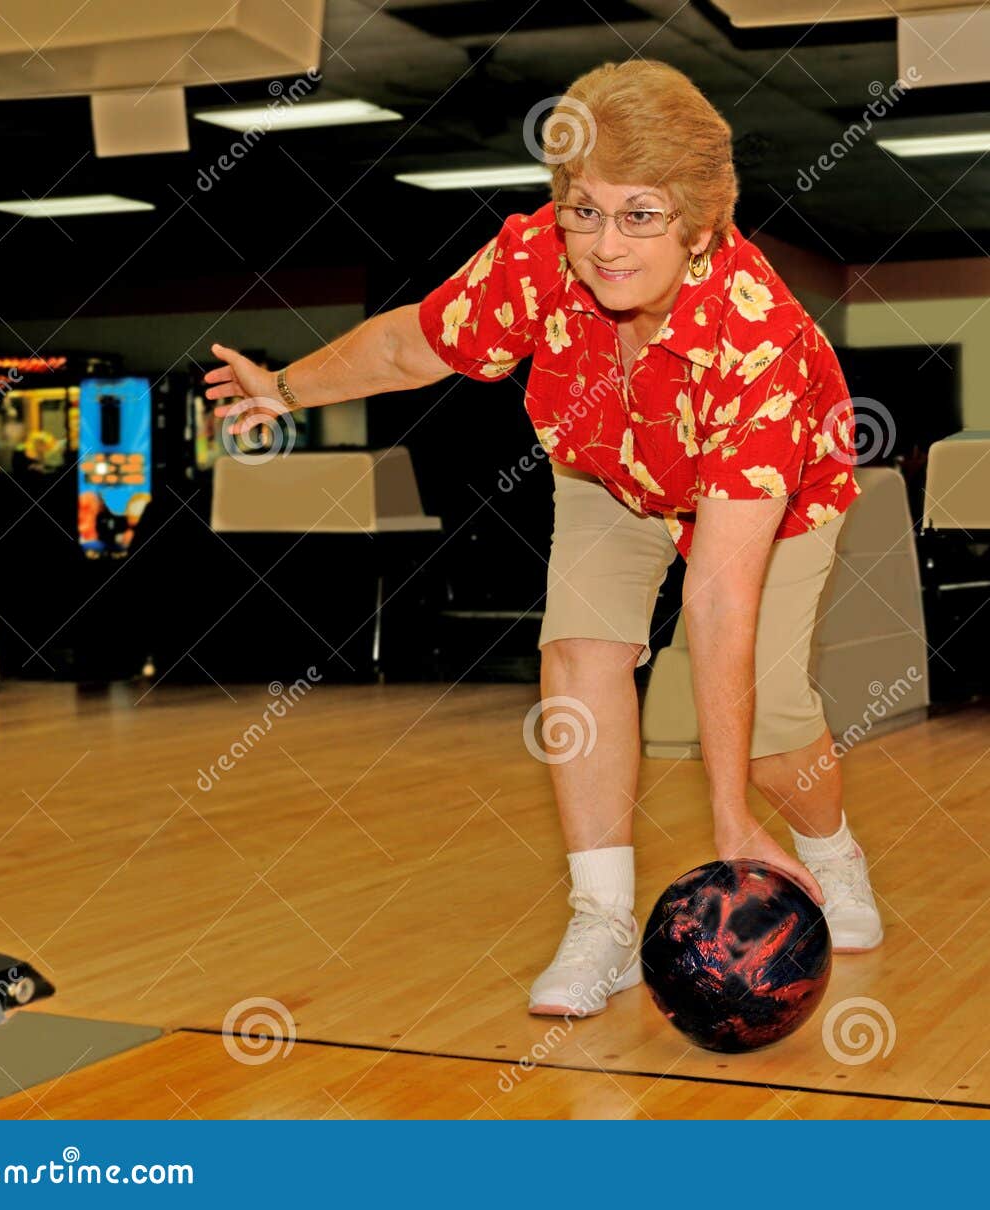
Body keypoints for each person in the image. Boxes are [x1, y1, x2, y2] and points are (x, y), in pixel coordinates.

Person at [204, 59, 883, 1019]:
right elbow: (409, 345)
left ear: (700, 221)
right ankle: (600, 920)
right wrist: (287, 388)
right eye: (585, 209)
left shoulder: (757, 340)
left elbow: (721, 593)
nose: (606, 244)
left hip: (777, 487)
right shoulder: (536, 260)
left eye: (640, 214)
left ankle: (831, 853)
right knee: (578, 649)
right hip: (608, 466)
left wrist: (733, 821)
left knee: (769, 718)